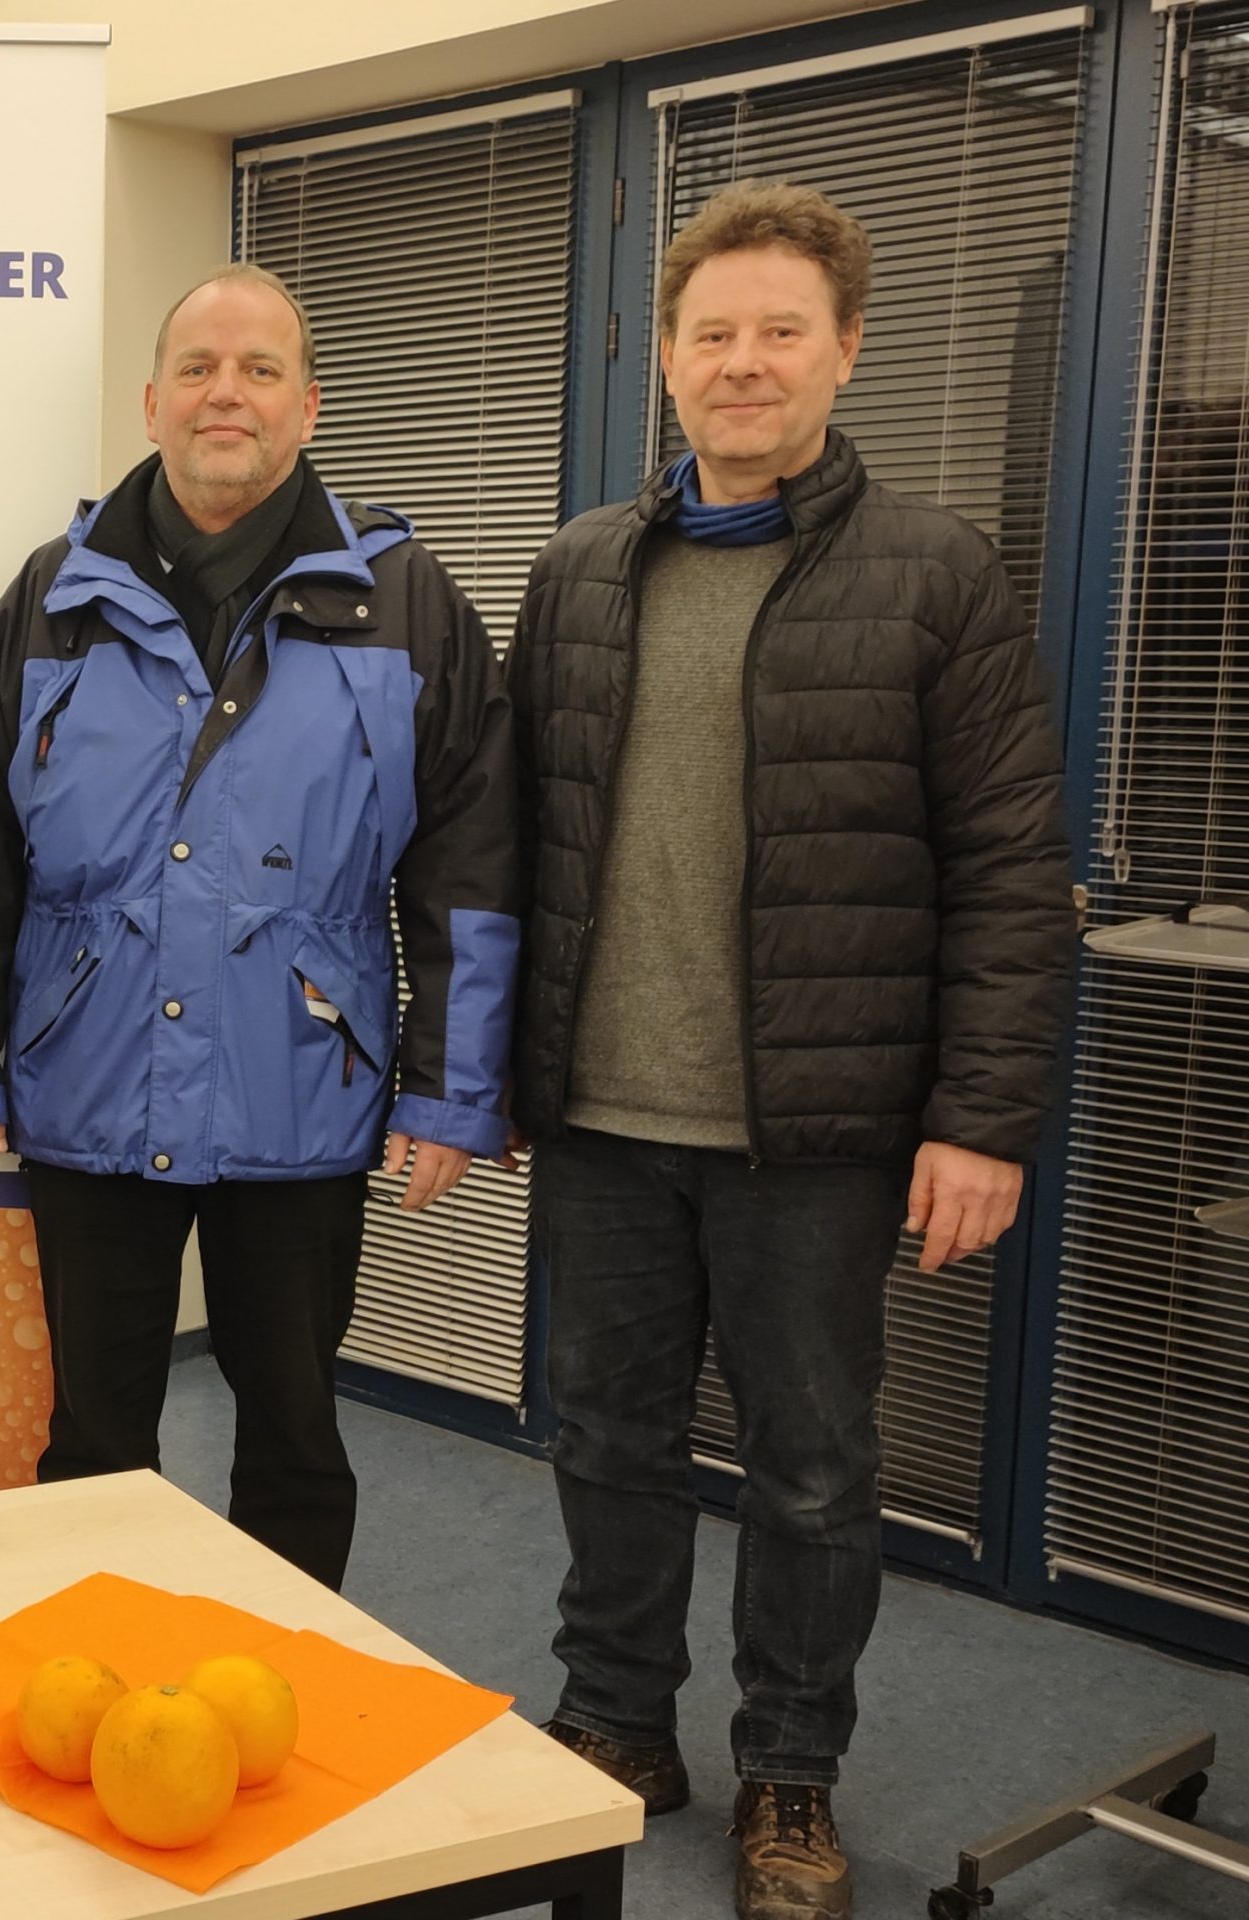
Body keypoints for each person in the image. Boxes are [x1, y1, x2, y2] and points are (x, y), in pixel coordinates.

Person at [506, 181, 1074, 1919]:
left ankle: (789, 1776)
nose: (742, 363)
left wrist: (981, 1118)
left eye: (779, 332)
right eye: (712, 335)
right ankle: (616, 1724)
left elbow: (1006, 868)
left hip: (816, 1133)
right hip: (603, 1115)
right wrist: (485, 1068)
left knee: (815, 1470)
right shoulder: (584, 567)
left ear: (845, 351)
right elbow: (510, 842)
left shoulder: (936, 577)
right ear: (665, 363)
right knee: (604, 1440)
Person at [0, 265, 519, 1590]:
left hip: (298, 1080)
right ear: (152, 399)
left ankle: (281, 1675)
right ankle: (95, 1670)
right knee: (96, 1429)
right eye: (198, 367)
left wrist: (450, 1093)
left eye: (259, 369)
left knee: (292, 1423)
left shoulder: (408, 602)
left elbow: (470, 864)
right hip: (87, 1077)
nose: (225, 392)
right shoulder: (53, 593)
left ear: (308, 406)